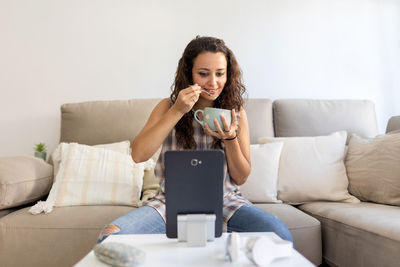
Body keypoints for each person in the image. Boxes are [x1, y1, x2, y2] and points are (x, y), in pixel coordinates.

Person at [98, 36, 293, 243]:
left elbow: (241, 177)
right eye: (203, 74)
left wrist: (230, 139)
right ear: (189, 73)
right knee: (110, 237)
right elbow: (138, 155)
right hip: (169, 202)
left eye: (220, 74)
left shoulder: (235, 113)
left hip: (224, 201)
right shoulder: (167, 107)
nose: (213, 82)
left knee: (279, 235)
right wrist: (178, 111)